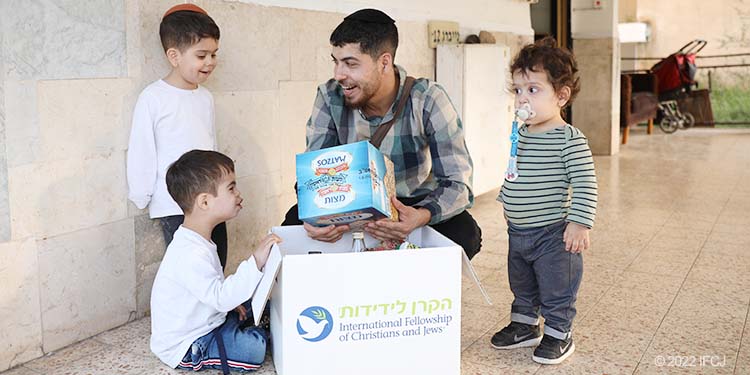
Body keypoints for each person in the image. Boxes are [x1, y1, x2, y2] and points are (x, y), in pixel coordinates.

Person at [282, 8, 482, 259]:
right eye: (336, 61)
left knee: (466, 233)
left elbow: (458, 183)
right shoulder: (329, 96)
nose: (339, 75)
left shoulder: (428, 99)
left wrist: (421, 216)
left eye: (350, 64)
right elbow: (313, 175)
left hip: (410, 202)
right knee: (292, 226)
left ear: (384, 62)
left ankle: (414, 293)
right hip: (349, 202)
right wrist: (316, 217)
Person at [490, 37, 597, 365]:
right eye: (519, 90)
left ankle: (559, 333)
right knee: (521, 282)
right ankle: (525, 325)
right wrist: (506, 201)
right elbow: (515, 170)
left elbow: (585, 183)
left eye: (533, 90)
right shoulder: (521, 132)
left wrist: (579, 222)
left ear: (561, 96)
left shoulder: (569, 140)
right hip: (518, 232)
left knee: (556, 287)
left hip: (553, 234)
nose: (523, 98)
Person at [150, 149, 281, 373]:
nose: (239, 194)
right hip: (189, 343)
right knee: (252, 351)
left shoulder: (197, 241)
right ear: (204, 202)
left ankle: (246, 323)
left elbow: (213, 292)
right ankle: (254, 330)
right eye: (231, 188)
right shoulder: (189, 252)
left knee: (260, 304)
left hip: (208, 318)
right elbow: (219, 298)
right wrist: (256, 260)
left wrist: (230, 304)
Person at [126, 4, 229, 268]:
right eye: (201, 55)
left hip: (211, 200)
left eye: (214, 54)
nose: (210, 62)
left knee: (218, 262)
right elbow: (142, 149)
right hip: (175, 204)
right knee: (191, 270)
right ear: (174, 56)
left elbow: (211, 147)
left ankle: (218, 309)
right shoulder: (153, 97)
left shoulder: (205, 98)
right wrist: (142, 194)